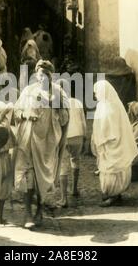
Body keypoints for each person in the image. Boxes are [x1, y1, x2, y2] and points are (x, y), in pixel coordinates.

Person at [13, 60, 69, 229]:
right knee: (27, 174)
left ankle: (39, 210)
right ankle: (28, 212)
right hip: (29, 138)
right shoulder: (28, 91)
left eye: (45, 75)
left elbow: (65, 119)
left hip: (48, 142)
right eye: (39, 75)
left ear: (51, 76)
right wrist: (26, 115)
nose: (41, 78)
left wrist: (55, 105)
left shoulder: (59, 93)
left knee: (42, 178)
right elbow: (16, 111)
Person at [91, 80, 138, 207]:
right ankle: (112, 193)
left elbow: (110, 129)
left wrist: (102, 139)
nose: (95, 95)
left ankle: (114, 195)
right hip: (106, 144)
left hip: (112, 143)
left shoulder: (110, 107)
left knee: (112, 169)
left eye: (97, 92)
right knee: (109, 169)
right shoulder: (103, 105)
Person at [56, 79, 86, 208]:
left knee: (63, 165)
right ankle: (74, 189)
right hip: (78, 135)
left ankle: (63, 199)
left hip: (64, 136)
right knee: (76, 160)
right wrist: (85, 137)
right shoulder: (77, 102)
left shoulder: (56, 104)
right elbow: (83, 121)